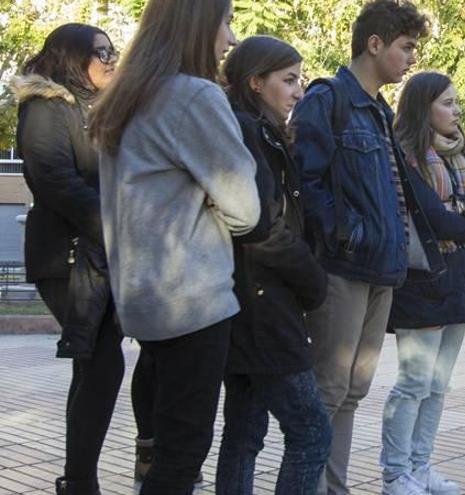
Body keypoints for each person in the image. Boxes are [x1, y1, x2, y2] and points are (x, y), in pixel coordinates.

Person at [88, 0, 262, 493]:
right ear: (198, 24)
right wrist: (208, 200)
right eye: (225, 22)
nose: (230, 39)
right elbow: (246, 210)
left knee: (165, 450)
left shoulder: (125, 95)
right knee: (182, 459)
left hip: (143, 300)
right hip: (194, 300)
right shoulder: (194, 96)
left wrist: (200, 197)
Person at [292, 2, 438, 493]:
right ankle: (308, 486)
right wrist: (345, 233)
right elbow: (305, 182)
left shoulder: (377, 109)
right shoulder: (327, 99)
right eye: (406, 47)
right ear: (374, 44)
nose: (411, 58)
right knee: (328, 388)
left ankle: (334, 487)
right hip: (343, 266)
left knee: (352, 391)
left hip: (383, 269)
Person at [10, 23, 153, 495]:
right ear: (71, 58)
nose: (112, 60)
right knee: (103, 362)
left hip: (101, 254)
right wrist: (114, 225)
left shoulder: (99, 109)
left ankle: (80, 478)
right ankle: (79, 480)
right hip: (68, 257)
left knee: (99, 363)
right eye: (100, 53)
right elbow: (53, 179)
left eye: (113, 51)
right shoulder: (48, 106)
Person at [215, 35, 332, 495]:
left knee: (244, 433)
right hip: (263, 306)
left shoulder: (257, 130)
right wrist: (312, 280)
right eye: (289, 80)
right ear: (256, 82)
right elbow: (261, 226)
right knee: (311, 431)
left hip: (250, 303)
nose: (299, 91)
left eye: (299, 79)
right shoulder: (248, 132)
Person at [379, 71, 465, 495]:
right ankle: (396, 474)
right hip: (422, 280)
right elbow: (436, 217)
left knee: (438, 384)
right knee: (413, 382)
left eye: (456, 101)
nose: (457, 110)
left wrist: (461, 211)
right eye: (447, 103)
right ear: (422, 107)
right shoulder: (405, 156)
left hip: (459, 276)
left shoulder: (458, 157)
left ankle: (420, 466)